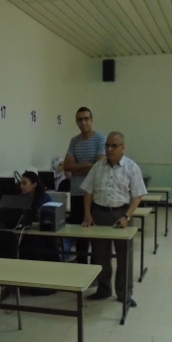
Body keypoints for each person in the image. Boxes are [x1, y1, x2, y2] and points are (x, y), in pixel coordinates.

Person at [81, 132, 146, 307]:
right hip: (99, 213)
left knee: (124, 256)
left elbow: (137, 196)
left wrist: (127, 216)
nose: (109, 149)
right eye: (107, 145)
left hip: (121, 213)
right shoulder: (98, 167)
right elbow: (88, 192)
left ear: (123, 147)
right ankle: (103, 290)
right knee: (100, 255)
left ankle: (124, 293)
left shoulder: (131, 167)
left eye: (114, 146)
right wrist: (88, 214)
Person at [64, 107, 106, 263]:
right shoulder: (74, 141)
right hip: (76, 193)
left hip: (95, 195)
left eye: (86, 118)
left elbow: (99, 166)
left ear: (92, 120)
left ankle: (95, 268)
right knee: (79, 234)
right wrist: (88, 165)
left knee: (94, 235)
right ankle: (81, 266)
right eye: (80, 119)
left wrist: (77, 167)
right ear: (76, 122)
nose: (83, 122)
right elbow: (66, 166)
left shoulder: (100, 139)